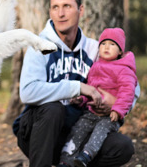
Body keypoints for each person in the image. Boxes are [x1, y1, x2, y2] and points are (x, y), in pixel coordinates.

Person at [12, 0, 140, 167]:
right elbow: (27, 92)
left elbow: (132, 83)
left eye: (67, 6)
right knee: (53, 108)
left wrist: (113, 101)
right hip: (38, 133)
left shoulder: (95, 49)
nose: (60, 13)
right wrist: (78, 87)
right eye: (55, 7)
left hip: (76, 133)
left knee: (122, 147)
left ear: (81, 10)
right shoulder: (39, 47)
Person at [58, 27, 138, 167]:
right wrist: (81, 99)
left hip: (110, 115)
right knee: (78, 130)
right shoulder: (96, 66)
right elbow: (91, 88)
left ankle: (86, 156)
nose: (107, 47)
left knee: (99, 132)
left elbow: (128, 91)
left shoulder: (124, 69)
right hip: (91, 112)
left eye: (112, 44)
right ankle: (66, 160)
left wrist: (118, 109)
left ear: (120, 51)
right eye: (103, 44)